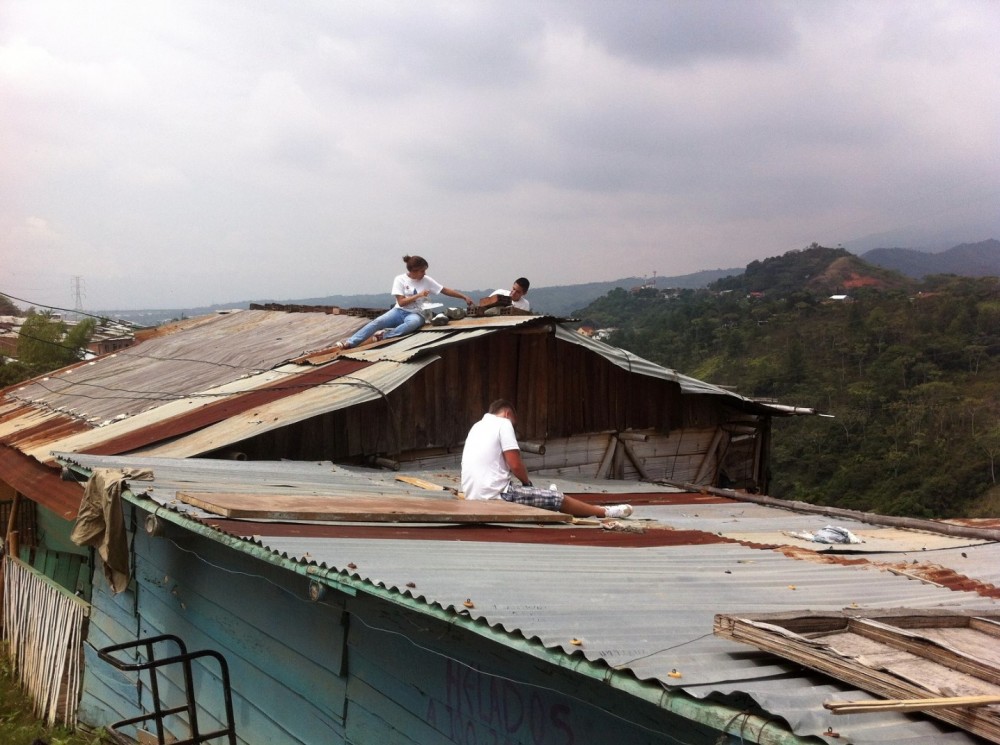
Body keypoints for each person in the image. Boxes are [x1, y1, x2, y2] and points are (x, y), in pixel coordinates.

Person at [461, 399, 633, 519]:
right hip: (496, 495)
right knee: (558, 499)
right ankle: (604, 512)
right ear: (507, 414)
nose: (513, 427)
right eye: (514, 424)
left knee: (541, 495)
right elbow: (515, 464)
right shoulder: (503, 423)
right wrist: (527, 483)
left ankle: (547, 493)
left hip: (472, 494)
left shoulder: (477, 426)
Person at [335, 255, 473, 349]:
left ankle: (384, 336)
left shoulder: (427, 280)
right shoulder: (400, 280)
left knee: (412, 324)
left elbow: (444, 290)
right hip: (399, 311)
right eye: (421, 271)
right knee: (377, 322)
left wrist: (463, 297)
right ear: (413, 271)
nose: (424, 274)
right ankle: (350, 343)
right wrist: (418, 295)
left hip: (416, 314)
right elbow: (401, 303)